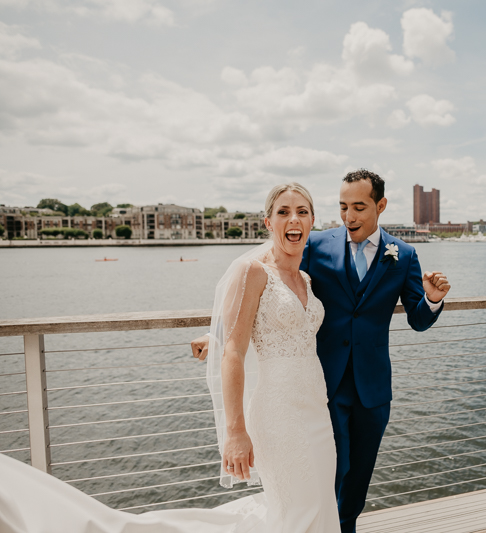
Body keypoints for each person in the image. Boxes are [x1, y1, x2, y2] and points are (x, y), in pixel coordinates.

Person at [0, 183, 337, 533]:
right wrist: (236, 432)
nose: (293, 219)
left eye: (302, 211)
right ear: (268, 222)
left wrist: (213, 335)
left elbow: (276, 329)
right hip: (278, 416)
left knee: (320, 504)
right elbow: (233, 350)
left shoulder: (306, 280)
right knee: (299, 511)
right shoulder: (252, 272)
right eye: (283, 212)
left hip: (315, 409)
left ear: (313, 221)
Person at [192, 169, 450, 532]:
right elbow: (269, 277)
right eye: (344, 206)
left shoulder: (403, 255)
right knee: (327, 479)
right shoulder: (315, 243)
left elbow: (418, 319)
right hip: (322, 389)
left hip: (373, 389)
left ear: (381, 206)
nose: (350, 216)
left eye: (359, 207)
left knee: (356, 482)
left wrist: (433, 299)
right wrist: (217, 333)